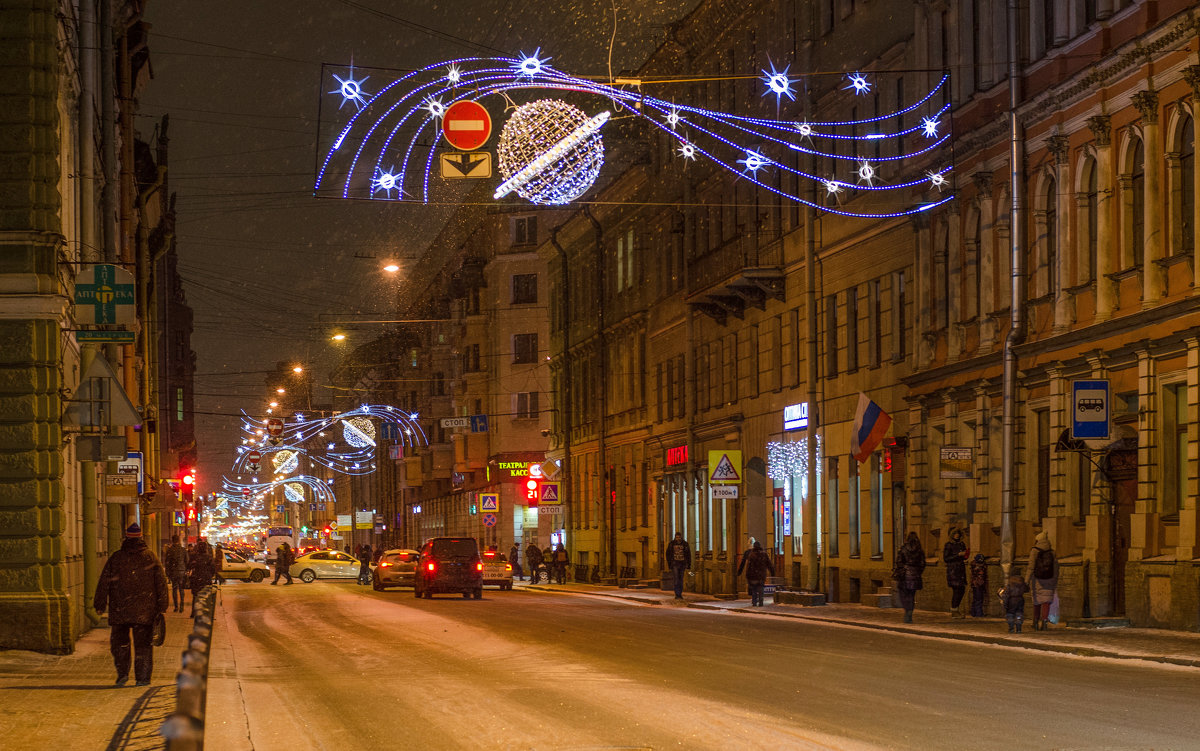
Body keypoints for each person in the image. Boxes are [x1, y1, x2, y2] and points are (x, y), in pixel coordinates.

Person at [94, 523, 169, 687]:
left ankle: (122, 674)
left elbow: (104, 582)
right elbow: (161, 583)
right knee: (143, 646)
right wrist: (162, 605)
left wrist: (99, 603)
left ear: (126, 538)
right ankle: (142, 678)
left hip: (120, 609)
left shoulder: (117, 558)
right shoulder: (150, 557)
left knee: (120, 645)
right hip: (145, 611)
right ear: (141, 538)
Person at [1026, 531, 1057, 630]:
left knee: (1036, 601)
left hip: (1037, 579)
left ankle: (1035, 622)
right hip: (1050, 578)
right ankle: (1044, 622)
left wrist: (1026, 580)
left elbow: (1031, 567)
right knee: (1046, 601)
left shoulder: (1035, 551)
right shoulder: (1052, 552)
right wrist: (1055, 579)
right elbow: (1056, 567)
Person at [893, 532, 926, 623]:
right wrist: (918, 572)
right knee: (912, 595)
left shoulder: (903, 549)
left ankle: (907, 610)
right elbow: (923, 563)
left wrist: (901, 569)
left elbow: (899, 562)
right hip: (915, 575)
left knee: (903, 594)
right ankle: (910, 611)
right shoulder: (919, 550)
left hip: (904, 575)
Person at [736, 540, 775, 606]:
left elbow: (748, 566)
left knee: (754, 589)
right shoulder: (764, 554)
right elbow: (769, 564)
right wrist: (772, 572)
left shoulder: (751, 555)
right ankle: (761, 602)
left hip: (753, 575)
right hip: (761, 575)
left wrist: (747, 575)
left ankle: (754, 602)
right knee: (761, 589)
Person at [942, 527, 969, 618]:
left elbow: (964, 556)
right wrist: (958, 555)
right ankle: (954, 611)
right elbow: (946, 558)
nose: (957, 535)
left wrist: (965, 555)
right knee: (957, 590)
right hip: (953, 570)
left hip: (961, 569)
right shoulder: (949, 545)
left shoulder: (962, 544)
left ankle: (956, 609)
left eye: (958, 533)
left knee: (961, 589)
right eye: (955, 533)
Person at [188, 537, 216, 611]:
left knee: (195, 596)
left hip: (196, 578)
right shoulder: (209, 557)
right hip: (206, 579)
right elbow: (213, 569)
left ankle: (194, 612)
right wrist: (210, 575)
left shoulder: (194, 557)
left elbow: (189, 566)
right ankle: (204, 611)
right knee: (206, 596)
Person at [163, 534, 189, 613]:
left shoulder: (170, 550)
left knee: (174, 589)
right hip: (181, 571)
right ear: (178, 540)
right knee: (181, 589)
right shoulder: (183, 550)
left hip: (173, 572)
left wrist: (168, 572)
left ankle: (176, 607)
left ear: (172, 540)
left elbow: (167, 562)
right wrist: (185, 569)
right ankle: (182, 605)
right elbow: (187, 560)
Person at [664, 532, 691, 600]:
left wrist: (688, 565)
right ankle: (677, 594)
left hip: (682, 564)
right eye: (677, 537)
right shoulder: (671, 544)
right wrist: (670, 564)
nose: (678, 539)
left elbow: (688, 554)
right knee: (676, 579)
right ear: (675, 537)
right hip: (675, 564)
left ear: (681, 537)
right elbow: (668, 554)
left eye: (679, 537)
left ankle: (680, 594)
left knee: (681, 579)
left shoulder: (685, 544)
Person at [1002, 569, 1029, 633]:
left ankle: (1011, 628)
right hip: (1020, 599)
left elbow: (1006, 594)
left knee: (1010, 614)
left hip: (1011, 600)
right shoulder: (1022, 582)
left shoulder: (1010, 583)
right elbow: (1027, 589)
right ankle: (1019, 628)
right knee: (1019, 613)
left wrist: (1005, 603)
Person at [969, 553, 988, 618]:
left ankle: (973, 612)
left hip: (975, 584)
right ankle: (978, 613)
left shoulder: (974, 565)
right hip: (978, 584)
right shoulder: (979, 567)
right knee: (978, 599)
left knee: (976, 599)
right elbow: (981, 575)